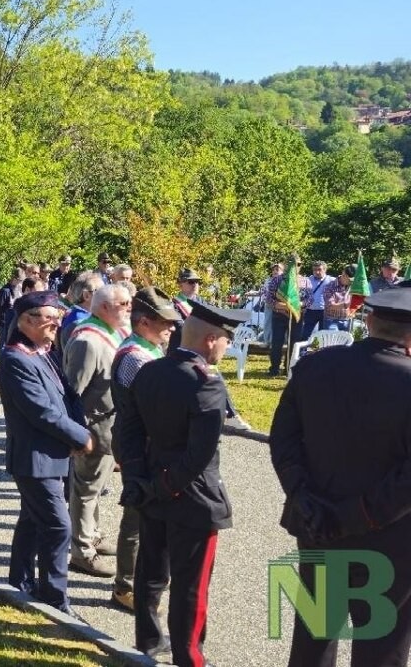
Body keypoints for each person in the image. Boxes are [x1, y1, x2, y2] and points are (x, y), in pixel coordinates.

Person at [268, 287, 411, 667]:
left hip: (317, 524)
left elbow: (283, 440)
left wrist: (303, 497)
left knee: (315, 635)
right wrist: (356, 516)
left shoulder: (315, 367)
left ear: (368, 321)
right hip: (390, 538)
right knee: (382, 645)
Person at [116, 300, 250, 666]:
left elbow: (127, 432)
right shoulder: (206, 383)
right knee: (191, 586)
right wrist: (161, 486)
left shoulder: (150, 371)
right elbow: (199, 455)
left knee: (151, 572)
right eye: (226, 340)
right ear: (210, 340)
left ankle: (147, 641)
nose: (226, 347)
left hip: (151, 490)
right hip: (190, 497)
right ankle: (189, 657)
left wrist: (137, 479)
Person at [0, 290, 92, 613]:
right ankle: (53, 598)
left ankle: (19, 583)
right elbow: (41, 412)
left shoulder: (42, 351)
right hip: (35, 458)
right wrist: (81, 437)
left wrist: (80, 431)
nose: (57, 324)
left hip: (53, 455)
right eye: (51, 318)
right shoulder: (14, 359)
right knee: (57, 526)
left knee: (33, 520)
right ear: (27, 321)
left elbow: (67, 398)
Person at [107, 287, 181, 613]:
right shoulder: (137, 358)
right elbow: (155, 408)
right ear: (143, 322)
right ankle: (125, 587)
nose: (172, 328)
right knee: (136, 518)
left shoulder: (147, 349)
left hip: (143, 442)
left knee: (147, 517)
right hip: (139, 446)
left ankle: (140, 579)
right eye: (164, 321)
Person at [63, 284, 132, 579]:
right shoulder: (88, 340)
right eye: (124, 304)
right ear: (104, 307)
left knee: (95, 488)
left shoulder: (112, 332)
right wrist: (77, 435)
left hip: (111, 427)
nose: (129, 308)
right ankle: (81, 551)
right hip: (93, 429)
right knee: (84, 490)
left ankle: (92, 535)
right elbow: (72, 392)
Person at [268, 258, 312, 376]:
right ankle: (274, 369)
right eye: (293, 264)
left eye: (298, 264)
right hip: (279, 315)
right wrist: (284, 306)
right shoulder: (277, 280)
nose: (295, 266)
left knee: (294, 343)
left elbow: (310, 299)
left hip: (297, 316)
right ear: (287, 266)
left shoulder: (306, 281)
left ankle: (289, 368)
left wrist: (298, 305)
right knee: (277, 343)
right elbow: (269, 299)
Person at [301, 261, 333, 339]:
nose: (317, 272)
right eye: (315, 270)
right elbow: (302, 293)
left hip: (325, 312)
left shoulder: (332, 280)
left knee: (323, 336)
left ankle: (322, 351)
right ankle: (302, 351)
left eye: (319, 269)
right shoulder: (308, 280)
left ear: (325, 270)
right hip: (310, 311)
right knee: (305, 334)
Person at [321, 264, 355, 331]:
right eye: (350, 280)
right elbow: (330, 305)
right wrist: (345, 305)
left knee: (346, 341)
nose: (351, 282)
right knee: (332, 341)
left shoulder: (353, 287)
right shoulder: (330, 286)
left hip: (347, 320)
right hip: (331, 321)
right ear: (343, 274)